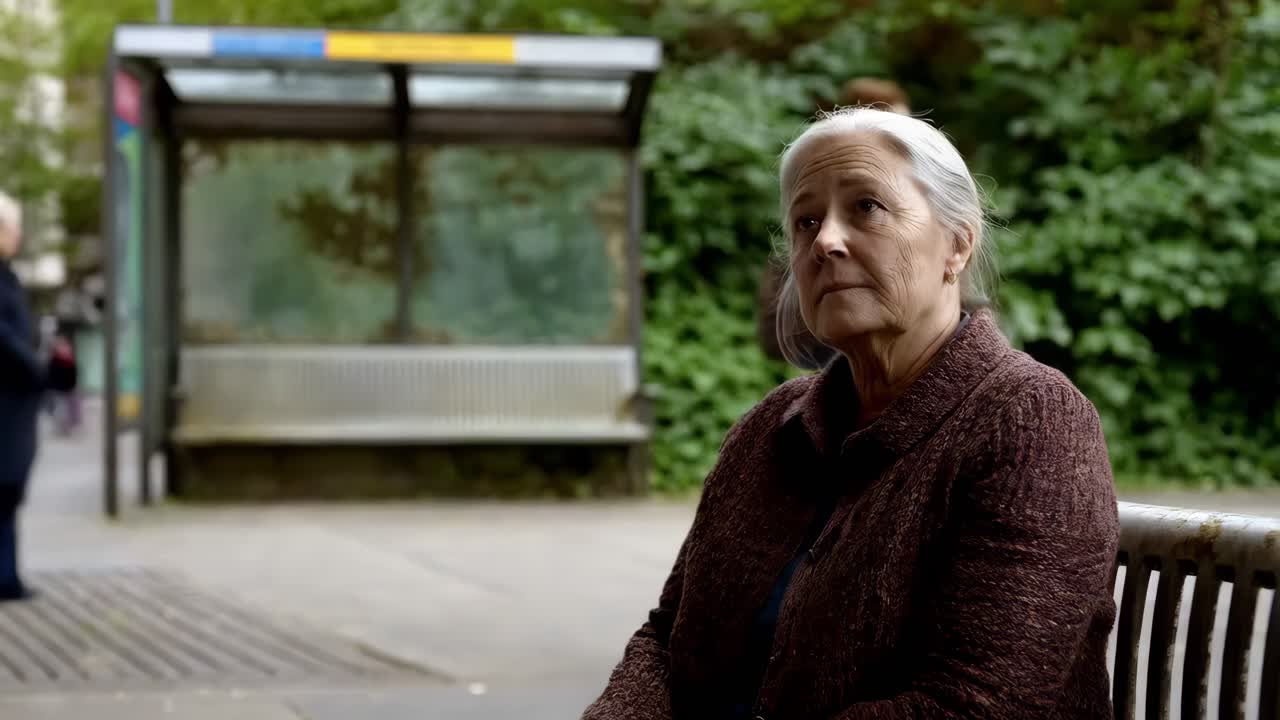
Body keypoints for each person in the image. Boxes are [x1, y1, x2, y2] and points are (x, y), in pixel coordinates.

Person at [584, 108, 1119, 719]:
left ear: (958, 243)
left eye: (866, 207)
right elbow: (665, 638)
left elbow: (979, 703)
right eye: (806, 221)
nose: (825, 242)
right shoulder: (773, 427)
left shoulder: (1029, 420)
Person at [757, 79, 912, 366]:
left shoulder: (929, 221)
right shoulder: (807, 242)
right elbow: (775, 333)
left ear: (959, 243)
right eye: (808, 221)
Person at [0, 190, 76, 601]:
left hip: (14, 404)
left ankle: (7, 575)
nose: (18, 235)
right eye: (12, 227)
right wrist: (33, 368)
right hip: (7, 401)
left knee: (8, 491)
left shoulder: (9, 277)